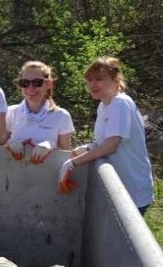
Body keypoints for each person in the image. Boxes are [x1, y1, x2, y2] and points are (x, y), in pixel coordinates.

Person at [58, 57, 154, 213]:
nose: (92, 84)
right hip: (119, 186)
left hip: (132, 186)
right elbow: (104, 142)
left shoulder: (119, 103)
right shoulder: (104, 105)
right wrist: (89, 147)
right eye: (89, 80)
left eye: (99, 79)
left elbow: (111, 145)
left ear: (115, 79)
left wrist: (72, 163)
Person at [5, 61, 74, 164]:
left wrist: (51, 145)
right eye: (25, 83)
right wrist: (9, 145)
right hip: (12, 173)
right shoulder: (10, 112)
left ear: (48, 84)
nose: (30, 88)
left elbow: (65, 156)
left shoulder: (61, 116)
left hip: (46, 176)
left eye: (37, 82)